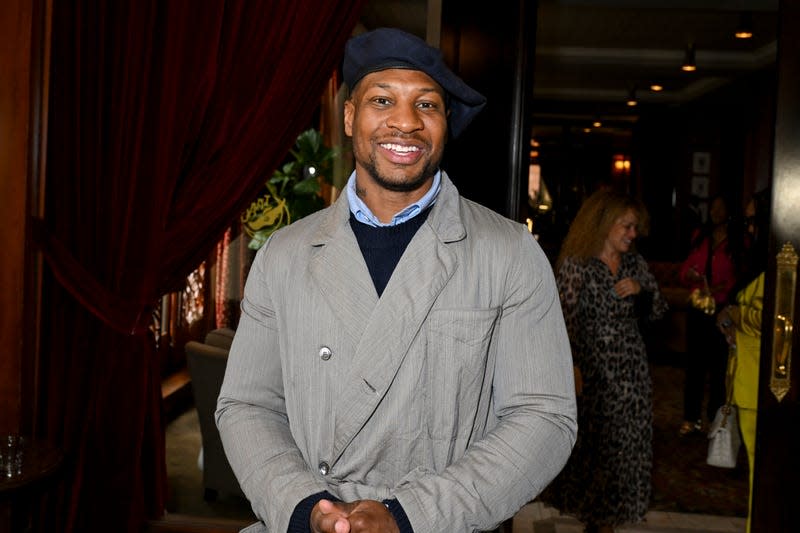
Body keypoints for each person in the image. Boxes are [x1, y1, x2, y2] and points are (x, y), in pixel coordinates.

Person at [215, 27, 577, 533]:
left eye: (426, 105)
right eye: (382, 100)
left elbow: (544, 419)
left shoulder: (510, 253)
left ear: (445, 123)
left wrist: (409, 517)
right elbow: (247, 404)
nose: (405, 122)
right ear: (349, 117)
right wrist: (303, 508)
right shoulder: (284, 254)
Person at [543, 190, 667, 533]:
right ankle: (598, 524)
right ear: (603, 224)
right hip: (592, 375)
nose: (632, 233)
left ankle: (606, 522)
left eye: (635, 227)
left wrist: (642, 294)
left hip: (631, 375)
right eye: (626, 225)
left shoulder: (634, 264)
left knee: (627, 453)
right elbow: (561, 323)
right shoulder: (577, 265)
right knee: (596, 455)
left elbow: (659, 313)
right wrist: (571, 371)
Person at [716, 188, 770, 533]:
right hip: (747, 381)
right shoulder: (761, 263)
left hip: (761, 387)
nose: (749, 228)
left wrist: (736, 313)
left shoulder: (781, 266)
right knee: (757, 475)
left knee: (762, 479)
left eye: (753, 220)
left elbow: (771, 318)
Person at [677, 195, 737, 435]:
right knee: (694, 366)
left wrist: (722, 288)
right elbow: (684, 271)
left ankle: (716, 420)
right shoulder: (699, 236)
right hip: (698, 309)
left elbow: (739, 278)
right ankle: (691, 419)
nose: (716, 211)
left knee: (719, 367)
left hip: (722, 312)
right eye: (713, 207)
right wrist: (691, 276)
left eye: (721, 207)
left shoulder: (737, 242)